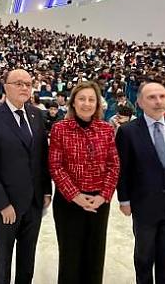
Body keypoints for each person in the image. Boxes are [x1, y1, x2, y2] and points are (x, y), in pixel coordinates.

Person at [116, 82, 165, 284]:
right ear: (140, 102)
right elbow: (122, 169)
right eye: (151, 97)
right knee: (144, 259)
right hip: (144, 205)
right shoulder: (128, 131)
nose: (158, 101)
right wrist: (124, 199)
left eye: (162, 96)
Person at [0, 69, 52, 284]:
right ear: (5, 87)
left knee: (27, 256)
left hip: (35, 202)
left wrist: (46, 189)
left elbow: (41, 157)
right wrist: (2, 204)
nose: (24, 88)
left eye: (28, 84)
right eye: (18, 83)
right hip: (8, 204)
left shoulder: (37, 115)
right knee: (4, 258)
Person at [48, 81, 120, 284]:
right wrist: (76, 196)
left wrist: (103, 196)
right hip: (69, 203)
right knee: (70, 257)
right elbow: (55, 166)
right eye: (81, 99)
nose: (86, 103)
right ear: (73, 103)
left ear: (97, 104)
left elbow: (113, 166)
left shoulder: (106, 129)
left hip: (99, 203)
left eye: (91, 99)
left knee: (95, 256)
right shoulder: (60, 129)